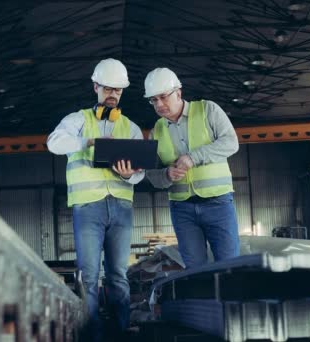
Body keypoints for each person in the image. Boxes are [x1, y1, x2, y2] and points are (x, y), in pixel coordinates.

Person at [47, 58, 144, 340]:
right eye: (108, 88)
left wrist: (128, 175)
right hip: (88, 208)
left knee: (118, 276)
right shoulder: (77, 120)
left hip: (122, 209)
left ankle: (121, 331)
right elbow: (53, 142)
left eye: (118, 90)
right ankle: (91, 335)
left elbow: (140, 175)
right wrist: (85, 142)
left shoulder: (131, 128)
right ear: (96, 87)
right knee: (88, 276)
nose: (113, 94)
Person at [144, 67, 240, 269]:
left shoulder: (208, 110)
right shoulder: (156, 131)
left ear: (178, 92)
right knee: (195, 271)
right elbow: (152, 175)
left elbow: (231, 142)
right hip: (182, 210)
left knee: (229, 266)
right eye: (153, 100)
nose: (159, 104)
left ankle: (228, 302)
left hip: (218, 203)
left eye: (163, 97)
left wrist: (193, 157)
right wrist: (167, 174)